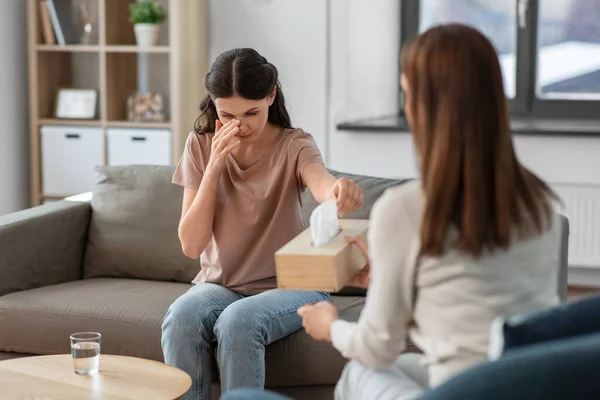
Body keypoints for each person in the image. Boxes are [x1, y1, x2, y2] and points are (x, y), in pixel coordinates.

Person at [221, 23, 563, 400]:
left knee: (351, 371)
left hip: (459, 390)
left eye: (406, 94)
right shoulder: (540, 203)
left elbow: (377, 346)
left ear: (420, 108)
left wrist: (330, 325)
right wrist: (388, 280)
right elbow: (479, 316)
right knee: (375, 371)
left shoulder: (407, 209)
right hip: (523, 384)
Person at [162, 48, 364, 400]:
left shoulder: (294, 145)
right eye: (227, 115)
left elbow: (321, 183)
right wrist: (213, 168)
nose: (240, 125)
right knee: (181, 315)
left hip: (291, 285)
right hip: (221, 283)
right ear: (213, 102)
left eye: (251, 113)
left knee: (238, 321)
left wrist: (338, 190)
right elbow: (191, 246)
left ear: (271, 95)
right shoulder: (199, 144)